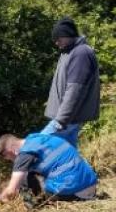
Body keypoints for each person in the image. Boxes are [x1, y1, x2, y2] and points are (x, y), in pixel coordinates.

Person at [42, 17, 100, 147]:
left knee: (38, 147)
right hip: (66, 119)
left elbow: (75, 90)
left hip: (65, 121)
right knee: (66, 154)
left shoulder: (80, 53)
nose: (56, 42)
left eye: (59, 38)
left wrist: (61, 120)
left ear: (68, 35)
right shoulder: (69, 52)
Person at [0, 133, 98, 204]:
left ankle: (32, 206)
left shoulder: (24, 154)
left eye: (9, 158)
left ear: (11, 150)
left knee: (24, 177)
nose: (12, 161)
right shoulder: (37, 138)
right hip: (90, 185)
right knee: (32, 173)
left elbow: (12, 190)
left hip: (76, 192)